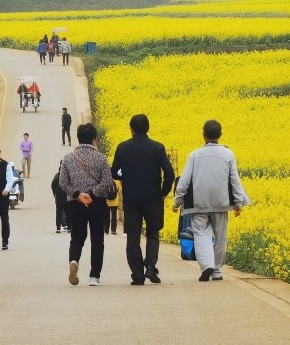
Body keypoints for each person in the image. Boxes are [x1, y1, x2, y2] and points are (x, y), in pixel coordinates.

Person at [172, 119, 251, 282]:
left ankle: (206, 265)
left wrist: (177, 201)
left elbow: (184, 180)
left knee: (200, 234)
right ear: (220, 135)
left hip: (199, 204)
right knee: (221, 236)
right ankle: (217, 271)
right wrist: (238, 202)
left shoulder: (194, 155)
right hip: (221, 203)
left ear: (203, 135)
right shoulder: (228, 154)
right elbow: (234, 180)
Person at [111, 114, 175, 285]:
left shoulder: (123, 148)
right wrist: (163, 192)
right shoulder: (157, 148)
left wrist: (125, 175)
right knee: (153, 233)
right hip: (153, 198)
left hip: (132, 198)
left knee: (133, 237)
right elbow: (169, 173)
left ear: (131, 128)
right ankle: (151, 267)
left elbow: (114, 171)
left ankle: (137, 275)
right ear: (148, 128)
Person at [59, 123, 112, 286]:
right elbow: (107, 181)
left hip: (76, 203)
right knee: (97, 239)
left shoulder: (68, 158)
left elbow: (62, 182)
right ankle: (94, 277)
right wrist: (91, 194)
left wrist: (78, 195)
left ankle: (74, 260)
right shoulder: (101, 158)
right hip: (97, 203)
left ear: (78, 138)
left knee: (77, 237)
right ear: (94, 139)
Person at [52, 160, 72, 234]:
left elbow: (52, 185)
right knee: (68, 213)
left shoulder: (57, 175)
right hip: (67, 197)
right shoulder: (69, 175)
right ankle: (69, 228)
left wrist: (55, 193)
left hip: (59, 198)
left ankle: (58, 228)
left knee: (59, 213)